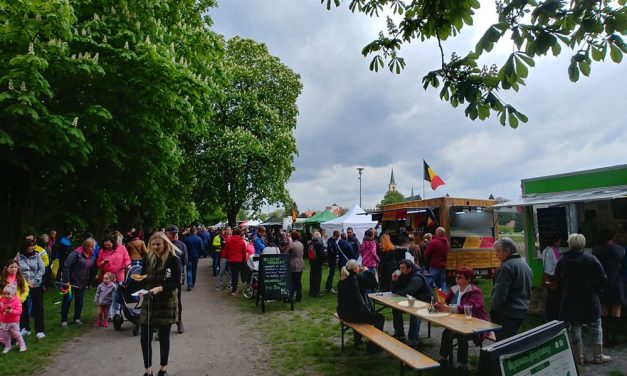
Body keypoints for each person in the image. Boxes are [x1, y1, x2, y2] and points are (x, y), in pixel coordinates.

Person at [555, 233, 612, 364]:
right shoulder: (591, 259)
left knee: (574, 326)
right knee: (596, 325)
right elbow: (603, 278)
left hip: (570, 298)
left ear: (570, 244)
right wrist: (598, 290)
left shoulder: (563, 260)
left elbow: (557, 278)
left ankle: (578, 357)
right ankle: (598, 356)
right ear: (583, 244)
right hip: (590, 297)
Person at [138, 232, 181, 376]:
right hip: (149, 302)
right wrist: (138, 281)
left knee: (164, 337)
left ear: (165, 244)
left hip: (166, 303)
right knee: (144, 338)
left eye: (158, 244)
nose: (155, 247)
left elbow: (176, 282)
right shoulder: (147, 258)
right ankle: (147, 370)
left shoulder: (173, 259)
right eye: (153, 244)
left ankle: (163, 369)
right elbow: (144, 276)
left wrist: (160, 288)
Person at [435, 267, 489, 374]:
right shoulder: (454, 289)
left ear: (468, 279)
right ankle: (443, 358)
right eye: (456, 276)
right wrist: (440, 304)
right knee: (447, 332)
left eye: (460, 277)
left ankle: (462, 364)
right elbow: (445, 301)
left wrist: (450, 308)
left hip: (475, 322)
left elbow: (470, 306)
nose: (457, 279)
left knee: (462, 335)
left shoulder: (475, 291)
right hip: (458, 321)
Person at [336, 259, 384, 353]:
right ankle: (373, 345)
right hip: (355, 316)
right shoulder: (356, 279)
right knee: (380, 318)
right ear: (355, 269)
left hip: (343, 313)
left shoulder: (342, 280)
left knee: (356, 311)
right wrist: (367, 271)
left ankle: (358, 341)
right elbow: (373, 283)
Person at [491, 237, 532, 341]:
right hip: (521, 311)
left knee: (502, 345)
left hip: (507, 314)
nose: (496, 254)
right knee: (511, 341)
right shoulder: (524, 264)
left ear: (507, 250)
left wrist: (494, 310)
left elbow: (500, 294)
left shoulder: (506, 267)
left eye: (498, 251)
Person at [592, 229, 625, 347]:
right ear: (612, 237)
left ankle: (605, 337)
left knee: (604, 311)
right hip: (616, 284)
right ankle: (614, 338)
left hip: (602, 283)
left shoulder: (596, 250)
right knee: (616, 310)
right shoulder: (619, 250)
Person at [391, 259, 431, 347]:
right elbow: (395, 291)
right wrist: (394, 281)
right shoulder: (403, 275)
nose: (400, 270)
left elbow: (408, 291)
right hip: (412, 300)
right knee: (395, 309)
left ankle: (413, 341)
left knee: (415, 314)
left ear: (409, 268)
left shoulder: (417, 278)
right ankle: (399, 333)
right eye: (400, 268)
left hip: (424, 303)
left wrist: (398, 293)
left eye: (403, 268)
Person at [60, 238, 96, 327]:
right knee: (67, 301)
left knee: (80, 301)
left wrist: (90, 281)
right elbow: (66, 266)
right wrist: (66, 281)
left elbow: (91, 269)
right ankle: (64, 320)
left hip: (82, 282)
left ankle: (77, 318)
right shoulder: (76, 254)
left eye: (93, 247)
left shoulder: (92, 256)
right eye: (91, 247)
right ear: (86, 247)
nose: (93, 249)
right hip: (71, 282)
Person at [16, 238, 46, 339]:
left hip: (35, 285)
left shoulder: (37, 255)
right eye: (31, 246)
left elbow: (42, 269)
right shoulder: (18, 256)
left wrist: (34, 281)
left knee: (38, 307)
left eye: (34, 245)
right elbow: (15, 269)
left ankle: (40, 330)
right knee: (23, 307)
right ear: (25, 247)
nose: (33, 247)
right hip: (23, 286)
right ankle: (25, 328)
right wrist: (23, 283)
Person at [165, 225, 187, 334]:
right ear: (166, 234)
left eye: (176, 233)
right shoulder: (163, 245)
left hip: (176, 277)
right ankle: (162, 326)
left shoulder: (181, 245)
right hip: (163, 277)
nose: (175, 235)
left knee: (177, 300)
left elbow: (184, 261)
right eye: (172, 233)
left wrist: (178, 272)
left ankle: (179, 321)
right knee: (163, 301)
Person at [541, 233, 562, 321]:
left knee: (552, 298)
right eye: (559, 241)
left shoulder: (548, 250)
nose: (560, 243)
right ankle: (554, 317)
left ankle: (551, 317)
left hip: (550, 276)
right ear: (556, 241)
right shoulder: (551, 250)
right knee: (554, 299)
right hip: (552, 277)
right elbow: (554, 264)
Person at [0, 284, 27, 353]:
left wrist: (12, 311)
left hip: (13, 321)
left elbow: (19, 311)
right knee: (5, 335)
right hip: (4, 320)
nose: (6, 295)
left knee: (16, 334)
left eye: (8, 294)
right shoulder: (2, 299)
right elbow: (1, 310)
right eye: (4, 294)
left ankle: (22, 345)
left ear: (13, 294)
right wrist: (1, 307)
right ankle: (7, 347)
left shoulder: (16, 300)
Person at [423, 227, 450, 292]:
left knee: (429, 282)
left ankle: (429, 297)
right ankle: (445, 298)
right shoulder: (447, 242)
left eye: (436, 232)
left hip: (434, 265)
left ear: (438, 233)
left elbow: (426, 254)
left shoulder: (434, 242)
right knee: (442, 283)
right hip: (443, 265)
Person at [225, 228, 247, 296]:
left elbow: (227, 250)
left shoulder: (229, 240)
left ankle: (233, 289)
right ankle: (235, 290)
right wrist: (244, 260)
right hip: (239, 260)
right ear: (240, 234)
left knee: (233, 274)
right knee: (237, 275)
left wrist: (228, 258)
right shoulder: (242, 241)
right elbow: (244, 252)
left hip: (231, 260)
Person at [284, 231, 304, 302]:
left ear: (292, 237)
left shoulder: (291, 245)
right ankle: (299, 297)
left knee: (292, 282)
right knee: (298, 282)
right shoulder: (301, 244)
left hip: (293, 265)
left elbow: (285, 253)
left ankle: (290, 298)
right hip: (301, 264)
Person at [184, 227, 204, 291]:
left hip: (189, 256)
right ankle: (192, 283)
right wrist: (200, 254)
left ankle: (189, 284)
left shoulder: (187, 239)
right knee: (194, 270)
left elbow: (185, 248)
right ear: (195, 232)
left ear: (190, 232)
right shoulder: (198, 239)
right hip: (195, 256)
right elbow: (201, 248)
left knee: (189, 270)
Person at [309, 231, 326, 297]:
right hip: (318, 262)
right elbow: (322, 254)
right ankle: (316, 292)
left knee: (312, 277)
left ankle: (311, 291)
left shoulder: (311, 243)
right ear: (319, 236)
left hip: (312, 261)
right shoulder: (319, 243)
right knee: (317, 278)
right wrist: (324, 259)